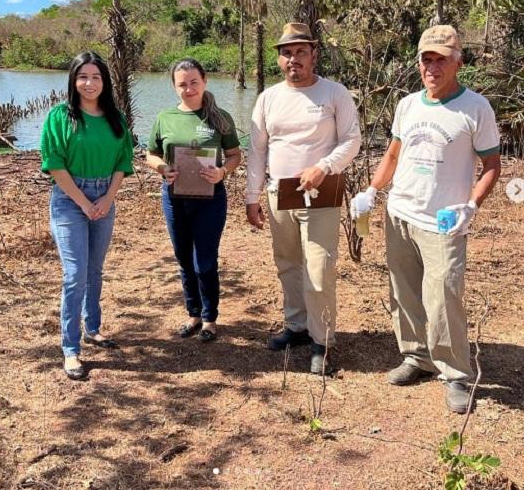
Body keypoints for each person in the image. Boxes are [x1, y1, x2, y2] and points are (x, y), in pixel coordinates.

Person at [351, 25, 501, 413]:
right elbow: (393, 155)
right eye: (426, 59)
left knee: (444, 298)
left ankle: (456, 375)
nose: (432, 67)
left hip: (444, 222)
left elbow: (491, 166)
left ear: (458, 62)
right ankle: (416, 356)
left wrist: (471, 205)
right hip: (400, 211)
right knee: (404, 292)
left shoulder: (476, 108)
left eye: (441, 59)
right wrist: (372, 191)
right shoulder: (408, 105)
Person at [246, 22, 361, 373]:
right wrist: (252, 196)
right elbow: (257, 150)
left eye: (300, 52)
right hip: (280, 194)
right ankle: (296, 326)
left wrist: (324, 167)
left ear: (313, 54)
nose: (293, 58)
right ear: (279, 59)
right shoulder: (268, 98)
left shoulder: (334, 93)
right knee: (288, 262)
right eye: (286, 53)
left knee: (320, 266)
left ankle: (322, 339)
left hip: (321, 194)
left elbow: (352, 140)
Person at [40, 51, 134, 380]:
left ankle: (93, 327)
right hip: (69, 199)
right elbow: (54, 164)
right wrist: (83, 202)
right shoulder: (59, 116)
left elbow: (123, 162)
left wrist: (107, 198)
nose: (89, 83)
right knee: (75, 274)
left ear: (104, 81)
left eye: (96, 77)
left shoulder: (115, 118)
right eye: (83, 77)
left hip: (104, 196)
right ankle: (70, 348)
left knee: (95, 269)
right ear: (73, 80)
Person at [146, 58, 241, 342]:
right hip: (175, 199)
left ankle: (210, 318)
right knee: (184, 258)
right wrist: (163, 168)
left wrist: (223, 171)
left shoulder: (220, 117)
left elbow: (235, 154)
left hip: (210, 200)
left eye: (193, 82)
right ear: (175, 87)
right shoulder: (165, 118)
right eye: (182, 84)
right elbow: (150, 154)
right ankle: (193, 314)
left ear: (204, 81)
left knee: (206, 260)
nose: (188, 89)